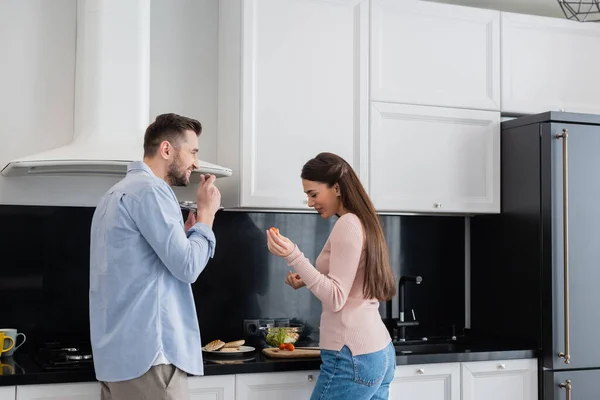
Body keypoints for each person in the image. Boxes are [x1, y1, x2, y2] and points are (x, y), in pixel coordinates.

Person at [89, 113, 221, 400]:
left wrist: (185, 237)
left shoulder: (113, 195)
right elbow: (187, 267)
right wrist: (206, 218)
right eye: (193, 152)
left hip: (116, 360)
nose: (196, 163)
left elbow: (140, 268)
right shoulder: (153, 191)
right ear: (166, 149)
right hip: (151, 359)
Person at [266, 152, 397, 400]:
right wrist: (309, 278)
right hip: (379, 351)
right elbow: (351, 280)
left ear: (336, 187)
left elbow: (336, 297)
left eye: (313, 194)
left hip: (352, 355)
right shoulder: (363, 221)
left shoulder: (347, 224)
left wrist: (294, 255)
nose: (309, 202)